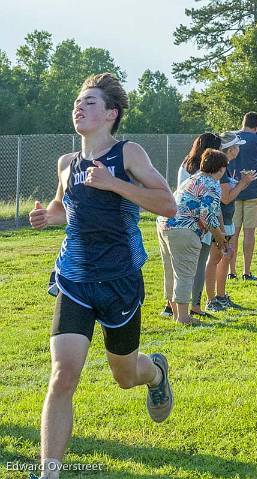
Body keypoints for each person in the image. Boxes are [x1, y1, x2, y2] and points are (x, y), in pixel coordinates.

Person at [27, 73, 176, 479]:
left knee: (125, 375)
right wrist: (47, 217)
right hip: (74, 280)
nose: (80, 106)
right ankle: (49, 473)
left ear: (111, 114)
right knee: (62, 375)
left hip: (119, 281)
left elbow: (168, 204)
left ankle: (156, 372)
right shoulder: (66, 164)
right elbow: (63, 208)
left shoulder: (128, 154)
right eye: (78, 101)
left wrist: (114, 184)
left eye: (90, 102)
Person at [157, 149, 230, 325]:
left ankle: (175, 314)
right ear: (220, 169)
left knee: (171, 272)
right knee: (184, 273)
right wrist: (221, 240)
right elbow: (208, 217)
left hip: (164, 224)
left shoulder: (193, 178)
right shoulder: (212, 184)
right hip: (185, 230)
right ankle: (183, 318)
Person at [205, 132, 257, 312]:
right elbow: (226, 198)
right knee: (216, 258)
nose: (238, 150)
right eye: (237, 146)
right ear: (230, 149)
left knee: (224, 257)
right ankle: (212, 299)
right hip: (219, 220)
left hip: (225, 219)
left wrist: (241, 182)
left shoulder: (224, 166)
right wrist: (243, 183)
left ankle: (220, 296)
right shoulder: (220, 166)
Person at [227, 111, 257, 281]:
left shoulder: (231, 137)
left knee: (233, 232)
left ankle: (231, 271)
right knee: (249, 233)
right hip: (254, 191)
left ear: (243, 123)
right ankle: (247, 271)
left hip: (232, 190)